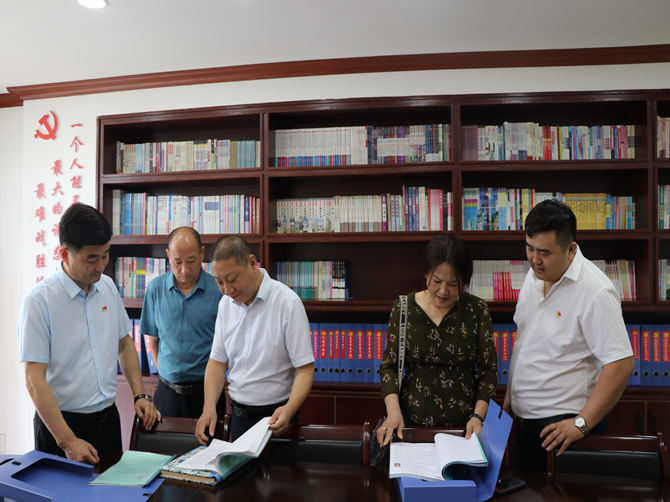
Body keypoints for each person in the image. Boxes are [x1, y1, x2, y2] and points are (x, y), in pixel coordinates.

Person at [17, 203, 160, 465]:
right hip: (61, 427)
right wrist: (68, 441)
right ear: (64, 253)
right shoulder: (39, 301)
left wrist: (139, 394)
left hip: (107, 421)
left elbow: (124, 343)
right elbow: (34, 379)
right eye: (91, 259)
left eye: (105, 255)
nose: (101, 266)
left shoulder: (107, 288)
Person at [503, 199, 634, 471]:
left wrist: (581, 424)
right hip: (525, 423)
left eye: (544, 252)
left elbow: (621, 364)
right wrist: (510, 397)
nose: (534, 259)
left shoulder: (595, 290)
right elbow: (525, 341)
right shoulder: (535, 275)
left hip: (563, 428)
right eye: (529, 247)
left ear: (571, 249)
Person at [377, 234, 498, 447]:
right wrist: (393, 411)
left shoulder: (477, 310)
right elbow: (389, 368)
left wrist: (478, 417)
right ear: (426, 275)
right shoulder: (404, 308)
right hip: (410, 428)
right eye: (437, 281)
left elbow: (488, 371)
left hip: (464, 431)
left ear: (464, 282)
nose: (443, 291)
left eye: (452, 284)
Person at [195, 235, 315, 442]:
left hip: (277, 416)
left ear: (252, 263)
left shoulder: (287, 303)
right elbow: (217, 362)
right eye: (219, 282)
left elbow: (305, 369)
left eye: (232, 279)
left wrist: (289, 409)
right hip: (239, 416)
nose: (227, 290)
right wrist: (209, 408)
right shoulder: (225, 304)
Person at [140, 226, 224, 418]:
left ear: (202, 254)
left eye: (191, 261)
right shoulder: (155, 289)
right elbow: (153, 340)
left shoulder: (219, 291)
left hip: (207, 393)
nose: (184, 270)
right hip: (166, 393)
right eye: (177, 262)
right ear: (168, 255)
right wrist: (166, 374)